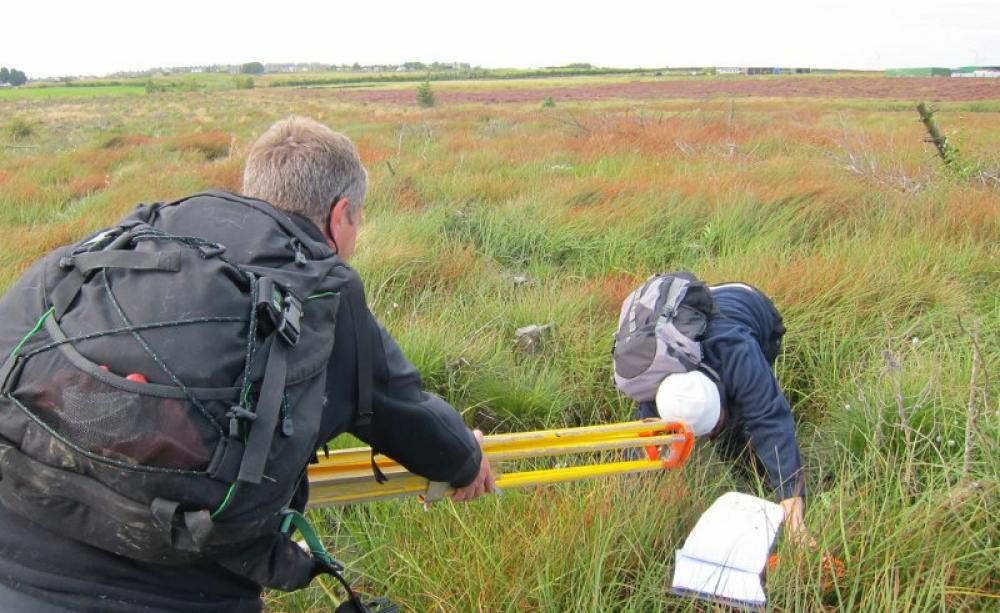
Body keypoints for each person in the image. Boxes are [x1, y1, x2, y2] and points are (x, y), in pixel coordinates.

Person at [0, 116, 495, 612]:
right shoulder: (322, 292)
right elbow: (403, 411)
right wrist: (465, 460)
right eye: (357, 220)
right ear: (340, 213)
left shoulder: (135, 236)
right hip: (178, 595)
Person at [635, 281, 808, 540]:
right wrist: (638, 503)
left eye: (714, 428)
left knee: (752, 414)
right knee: (732, 435)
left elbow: (771, 423)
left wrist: (795, 523)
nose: (711, 436)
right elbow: (641, 449)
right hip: (685, 312)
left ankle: (760, 479)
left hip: (746, 301)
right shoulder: (656, 381)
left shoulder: (738, 353)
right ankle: (748, 473)